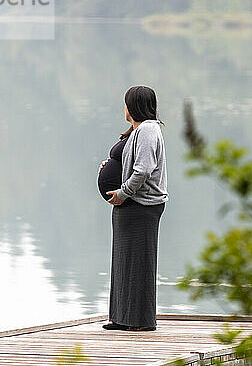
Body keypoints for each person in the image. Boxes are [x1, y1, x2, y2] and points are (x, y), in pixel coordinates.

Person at [102, 85, 168, 332]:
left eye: (126, 103)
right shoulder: (138, 130)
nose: (124, 108)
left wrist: (122, 192)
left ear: (133, 106)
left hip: (142, 204)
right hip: (130, 204)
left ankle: (140, 320)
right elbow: (131, 163)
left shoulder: (149, 130)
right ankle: (120, 317)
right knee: (123, 260)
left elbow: (143, 169)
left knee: (139, 261)